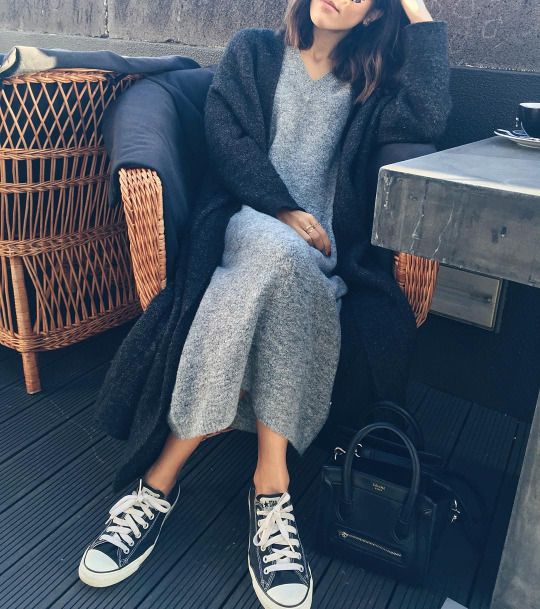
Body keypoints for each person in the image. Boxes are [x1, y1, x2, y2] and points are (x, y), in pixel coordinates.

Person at [79, 1, 448, 608]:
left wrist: (419, 11)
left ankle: (157, 483)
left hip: (322, 249)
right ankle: (271, 488)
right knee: (276, 254)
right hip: (244, 217)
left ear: (373, 15)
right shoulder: (252, 50)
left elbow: (428, 114)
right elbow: (225, 140)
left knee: (283, 274)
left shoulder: (372, 87)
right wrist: (282, 208)